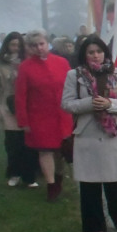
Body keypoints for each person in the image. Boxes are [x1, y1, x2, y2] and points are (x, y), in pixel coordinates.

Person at [61, 36, 117, 232]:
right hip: (87, 134)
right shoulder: (74, 76)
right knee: (89, 185)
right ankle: (96, 226)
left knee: (115, 182)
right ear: (84, 54)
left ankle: (115, 213)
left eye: (99, 51)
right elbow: (66, 104)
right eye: (91, 52)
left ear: (105, 52)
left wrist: (109, 104)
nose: (95, 55)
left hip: (112, 135)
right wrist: (89, 103)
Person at [15, 29, 74, 202]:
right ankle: (51, 185)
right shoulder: (25, 67)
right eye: (34, 45)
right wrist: (23, 120)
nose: (39, 48)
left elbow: (72, 85)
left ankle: (63, 179)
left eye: (42, 44)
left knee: (64, 151)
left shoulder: (62, 62)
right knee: (45, 151)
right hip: (40, 117)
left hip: (63, 114)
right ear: (29, 48)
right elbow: (21, 96)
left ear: (47, 43)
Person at [0, 32, 38, 189]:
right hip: (8, 105)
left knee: (28, 144)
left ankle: (29, 176)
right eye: (13, 45)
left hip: (27, 106)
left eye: (18, 45)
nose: (16, 48)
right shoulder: (0, 62)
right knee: (13, 144)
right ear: (7, 45)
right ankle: (14, 173)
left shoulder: (29, 61)